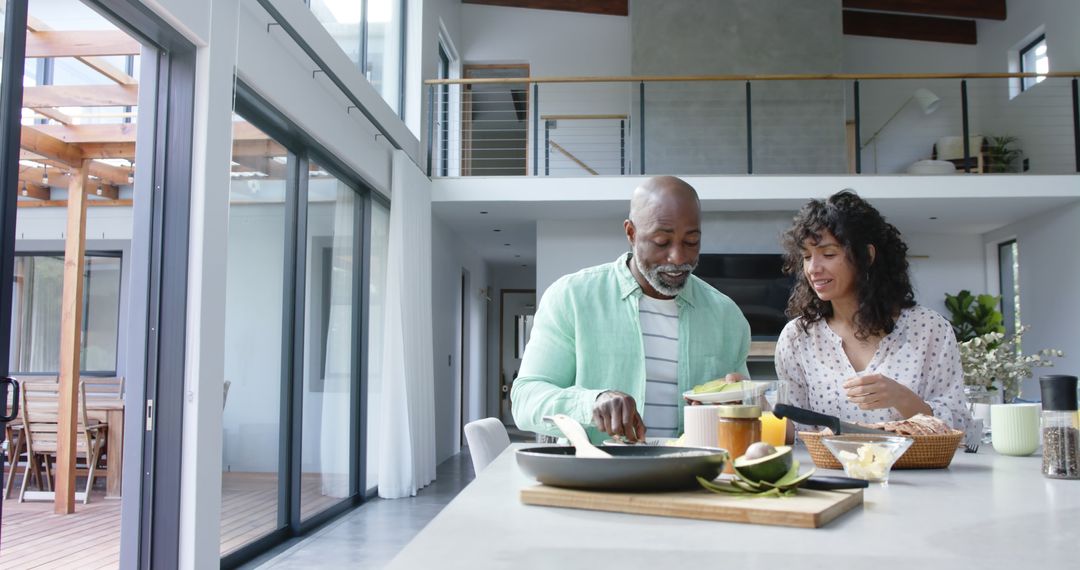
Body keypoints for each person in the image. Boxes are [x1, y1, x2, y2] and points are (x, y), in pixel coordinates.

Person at [511, 176, 751, 443]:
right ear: (631, 233)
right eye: (661, 242)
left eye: (691, 242)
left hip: (695, 477)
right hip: (599, 476)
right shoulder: (571, 298)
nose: (678, 258)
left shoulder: (727, 317)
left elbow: (745, 412)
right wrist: (592, 402)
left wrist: (743, 404)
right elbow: (526, 399)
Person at [774, 190, 969, 431]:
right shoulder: (797, 337)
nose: (813, 268)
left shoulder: (929, 329)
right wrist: (749, 405)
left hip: (915, 468)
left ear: (866, 255)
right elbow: (795, 430)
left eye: (828, 254)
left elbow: (960, 427)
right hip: (829, 469)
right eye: (806, 256)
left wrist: (902, 398)